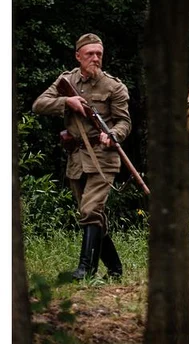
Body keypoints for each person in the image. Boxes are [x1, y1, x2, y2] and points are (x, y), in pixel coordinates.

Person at [33, 33, 131, 281]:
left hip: (103, 158)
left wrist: (114, 135)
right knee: (92, 215)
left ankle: (85, 270)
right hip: (76, 158)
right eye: (90, 54)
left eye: (99, 53)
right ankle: (116, 269)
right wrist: (67, 101)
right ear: (78, 56)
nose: (95, 58)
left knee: (90, 210)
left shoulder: (114, 86)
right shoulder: (67, 80)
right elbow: (39, 104)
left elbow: (124, 122)